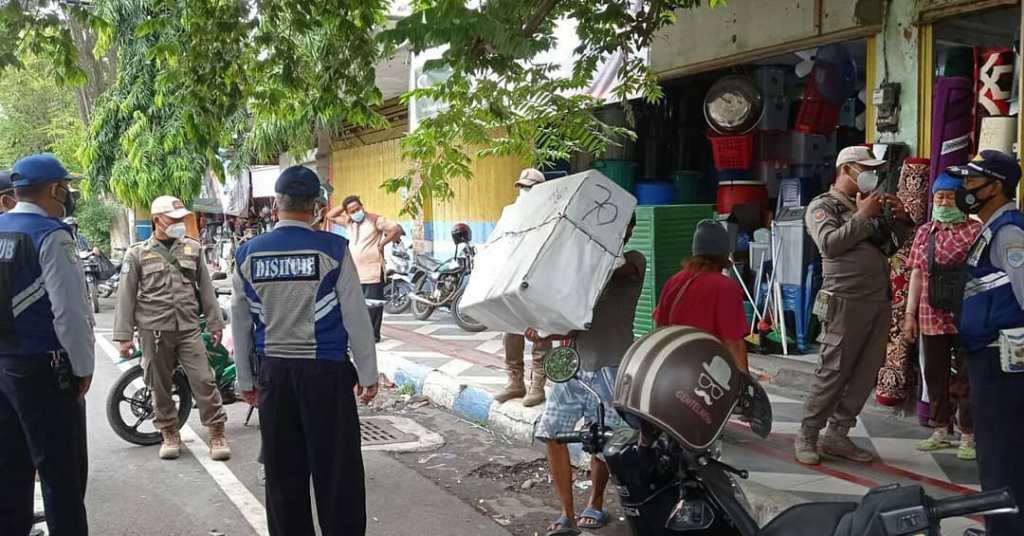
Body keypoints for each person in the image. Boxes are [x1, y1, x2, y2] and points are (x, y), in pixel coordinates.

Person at [232, 166, 379, 536]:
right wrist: (368, 375)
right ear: (315, 206)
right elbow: (356, 316)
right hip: (326, 375)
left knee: (283, 477)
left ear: (276, 204)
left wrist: (246, 380)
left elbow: (241, 323)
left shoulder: (247, 254)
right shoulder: (333, 249)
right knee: (338, 475)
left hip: (274, 375)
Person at [796, 145, 913, 465]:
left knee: (865, 372)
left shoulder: (871, 204)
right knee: (832, 371)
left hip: (877, 300)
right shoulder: (823, 205)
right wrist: (862, 216)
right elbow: (830, 244)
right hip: (844, 300)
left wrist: (901, 220)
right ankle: (808, 433)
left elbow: (889, 246)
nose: (872, 175)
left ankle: (838, 434)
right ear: (847, 169)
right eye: (866, 169)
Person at [531, 216, 645, 535]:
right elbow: (572, 326)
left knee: (604, 441)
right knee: (552, 433)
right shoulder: (580, 272)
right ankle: (566, 513)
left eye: (621, 227)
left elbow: (613, 266)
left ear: (628, 230)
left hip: (613, 367)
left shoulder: (633, 261)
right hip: (574, 367)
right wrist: (543, 331)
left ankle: (595, 503)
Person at [0, 153, 93, 535]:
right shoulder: (51, 235)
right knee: (61, 477)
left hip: (4, 366)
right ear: (54, 189)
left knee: (10, 471)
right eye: (66, 188)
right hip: (43, 368)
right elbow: (69, 312)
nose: (68, 195)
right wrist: (83, 368)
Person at [112, 195, 231, 461]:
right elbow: (126, 296)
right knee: (160, 385)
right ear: (157, 220)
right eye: (173, 219)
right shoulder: (137, 253)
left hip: (188, 328)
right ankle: (169, 433)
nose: (179, 223)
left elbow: (206, 289)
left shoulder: (192, 249)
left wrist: (215, 322)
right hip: (153, 331)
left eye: (181, 218)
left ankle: (216, 433)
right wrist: (123, 337)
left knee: (204, 380)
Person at [947, 150, 1024, 536]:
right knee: (995, 450)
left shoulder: (1009, 232)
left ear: (996, 186)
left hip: (1002, 361)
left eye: (972, 181)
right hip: (987, 355)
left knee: (1001, 452)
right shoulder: (992, 227)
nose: (964, 188)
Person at [902, 172, 980, 460]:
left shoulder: (975, 231)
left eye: (950, 197)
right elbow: (916, 274)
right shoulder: (925, 232)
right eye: (939, 197)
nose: (944, 202)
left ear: (962, 199)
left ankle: (968, 433)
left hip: (966, 313)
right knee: (934, 374)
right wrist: (909, 314)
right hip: (930, 314)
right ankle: (940, 429)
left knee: (967, 375)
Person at [653, 219, 749, 371]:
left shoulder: (674, 281)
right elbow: (733, 343)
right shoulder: (725, 287)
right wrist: (744, 380)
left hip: (672, 369)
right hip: (706, 373)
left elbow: (660, 328)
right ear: (724, 253)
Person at [495, 168, 552, 406]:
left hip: (541, 281)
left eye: (530, 187)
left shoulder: (552, 214)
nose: (525, 191)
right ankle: (515, 383)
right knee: (510, 333)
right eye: (522, 187)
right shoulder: (512, 213)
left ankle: (537, 386)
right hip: (514, 283)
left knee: (540, 334)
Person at [326, 195, 404, 342]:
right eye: (352, 211)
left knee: (373, 306)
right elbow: (330, 216)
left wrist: (382, 243)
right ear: (348, 213)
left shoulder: (375, 220)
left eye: (358, 209)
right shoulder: (348, 222)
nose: (356, 212)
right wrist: (344, 204)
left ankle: (373, 335)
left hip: (373, 270)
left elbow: (396, 229)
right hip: (355, 271)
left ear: (362, 206)